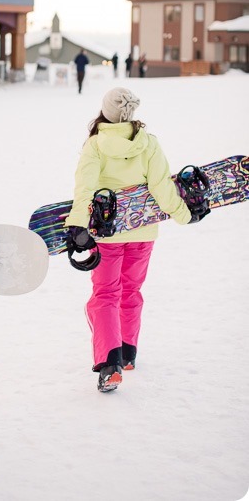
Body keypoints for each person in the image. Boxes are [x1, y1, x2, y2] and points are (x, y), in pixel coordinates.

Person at [64, 87, 203, 393]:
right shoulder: (148, 143)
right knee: (131, 290)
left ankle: (110, 361)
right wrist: (184, 215)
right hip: (143, 233)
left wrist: (76, 225)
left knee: (105, 295)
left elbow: (84, 189)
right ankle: (128, 353)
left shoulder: (96, 145)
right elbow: (162, 188)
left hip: (108, 235)